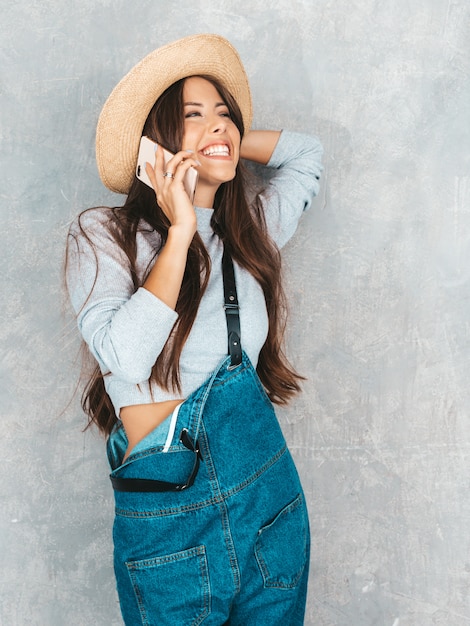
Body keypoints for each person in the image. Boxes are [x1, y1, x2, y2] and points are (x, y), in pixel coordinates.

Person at [66, 34, 323, 625]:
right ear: (153, 143)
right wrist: (181, 229)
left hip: (269, 505)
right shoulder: (104, 235)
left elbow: (306, 156)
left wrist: (223, 144)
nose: (220, 125)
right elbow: (125, 358)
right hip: (171, 523)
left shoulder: (251, 230)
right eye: (194, 116)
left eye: (225, 113)